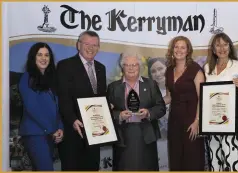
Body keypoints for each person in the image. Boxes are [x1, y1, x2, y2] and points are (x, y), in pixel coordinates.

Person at [56, 31, 107, 171]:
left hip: (95, 132)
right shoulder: (65, 65)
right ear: (78, 45)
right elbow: (63, 97)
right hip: (73, 132)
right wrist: (72, 119)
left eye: (95, 45)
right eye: (87, 44)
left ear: (98, 48)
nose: (91, 48)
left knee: (92, 167)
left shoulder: (101, 68)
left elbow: (101, 98)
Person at [107, 52, 166, 171]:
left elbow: (161, 107)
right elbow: (106, 112)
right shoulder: (113, 87)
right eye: (127, 65)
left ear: (139, 66)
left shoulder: (151, 84)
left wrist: (148, 113)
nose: (131, 68)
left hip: (146, 136)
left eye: (134, 64)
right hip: (123, 138)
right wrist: (119, 115)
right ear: (122, 67)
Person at [203, 33, 238, 171]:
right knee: (215, 160)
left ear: (230, 46)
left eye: (225, 44)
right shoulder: (207, 68)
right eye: (218, 45)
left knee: (232, 159)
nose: (222, 48)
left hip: (233, 121)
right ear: (213, 49)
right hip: (212, 121)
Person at [18, 42, 63, 171]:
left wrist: (60, 127)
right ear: (33, 57)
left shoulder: (51, 79)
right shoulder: (27, 78)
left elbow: (56, 107)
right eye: (39, 55)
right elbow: (32, 107)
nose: (44, 58)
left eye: (47, 55)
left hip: (49, 134)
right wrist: (51, 129)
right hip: (35, 134)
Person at [164, 36, 205, 171]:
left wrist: (197, 121)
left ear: (188, 51)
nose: (179, 50)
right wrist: (151, 105)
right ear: (172, 49)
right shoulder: (169, 70)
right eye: (176, 47)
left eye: (183, 47)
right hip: (174, 121)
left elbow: (202, 97)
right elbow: (169, 97)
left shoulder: (196, 70)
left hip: (191, 122)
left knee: (192, 160)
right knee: (176, 159)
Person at [147, 57, 169, 170]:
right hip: (157, 143)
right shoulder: (148, 93)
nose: (157, 73)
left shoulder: (177, 89)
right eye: (153, 71)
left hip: (176, 140)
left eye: (160, 69)